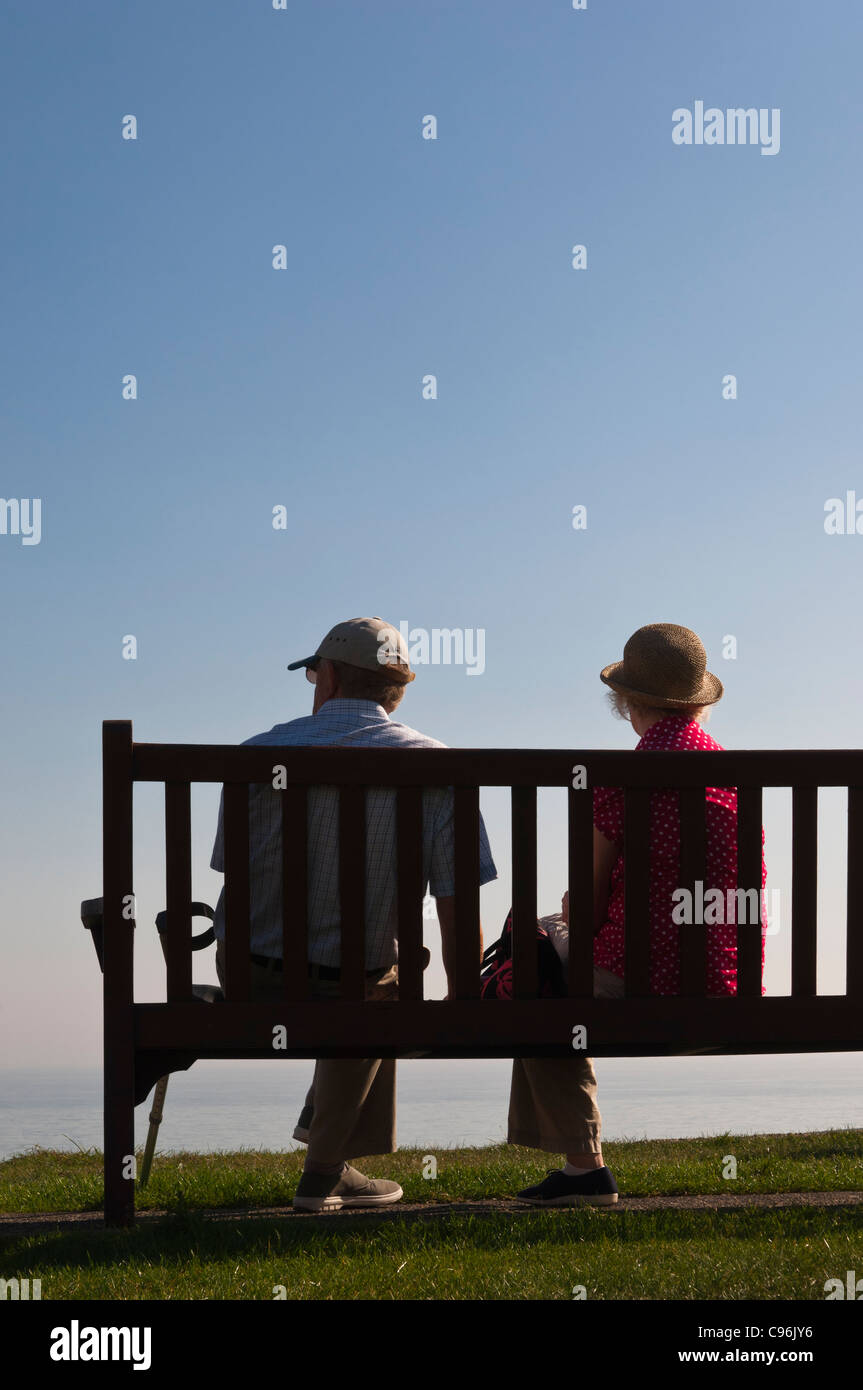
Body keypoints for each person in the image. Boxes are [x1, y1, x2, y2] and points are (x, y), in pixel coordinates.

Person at [209, 616, 497, 1211]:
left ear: (332, 675)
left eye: (314, 672)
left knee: (375, 977)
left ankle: (328, 1165)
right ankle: (324, 1169)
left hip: (250, 980)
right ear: (397, 688)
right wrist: (465, 998)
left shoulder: (256, 755)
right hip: (356, 986)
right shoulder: (437, 765)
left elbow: (232, 871)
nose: (314, 681)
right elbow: (456, 902)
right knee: (385, 981)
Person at [511, 622, 767, 1207]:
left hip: (637, 978)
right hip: (724, 981)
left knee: (533, 968)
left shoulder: (621, 781)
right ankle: (580, 1167)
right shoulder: (734, 781)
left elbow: (594, 903)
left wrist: (570, 913)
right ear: (698, 705)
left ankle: (583, 1165)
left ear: (628, 705)